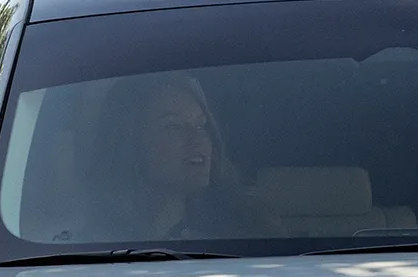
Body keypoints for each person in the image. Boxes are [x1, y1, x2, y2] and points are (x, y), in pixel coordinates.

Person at [70, 73, 283, 241]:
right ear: (130, 140)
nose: (198, 140)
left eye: (201, 125)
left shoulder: (249, 228)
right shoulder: (81, 241)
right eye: (174, 127)